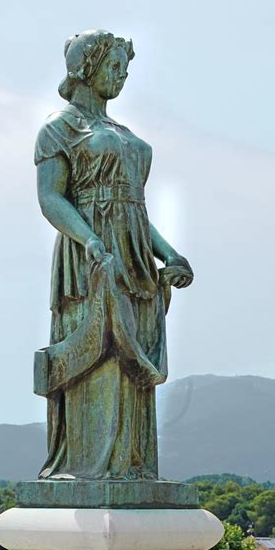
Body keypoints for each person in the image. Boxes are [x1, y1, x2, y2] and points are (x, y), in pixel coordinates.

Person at [34, 29, 193, 480]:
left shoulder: (123, 134)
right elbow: (51, 198)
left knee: (130, 375)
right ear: (87, 67)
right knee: (99, 361)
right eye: (114, 65)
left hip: (135, 259)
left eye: (126, 68)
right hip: (91, 258)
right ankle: (87, 468)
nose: (122, 75)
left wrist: (170, 254)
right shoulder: (59, 127)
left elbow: (137, 212)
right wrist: (90, 241)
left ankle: (129, 468)